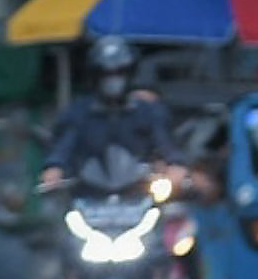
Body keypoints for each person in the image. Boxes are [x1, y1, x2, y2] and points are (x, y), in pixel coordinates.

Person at [41, 35, 177, 184]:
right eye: (106, 74)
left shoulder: (147, 111)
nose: (113, 80)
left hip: (139, 190)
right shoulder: (79, 112)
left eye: (119, 73)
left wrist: (175, 165)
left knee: (175, 207)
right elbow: (64, 145)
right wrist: (54, 167)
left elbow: (165, 142)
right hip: (89, 193)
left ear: (130, 73)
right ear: (95, 75)